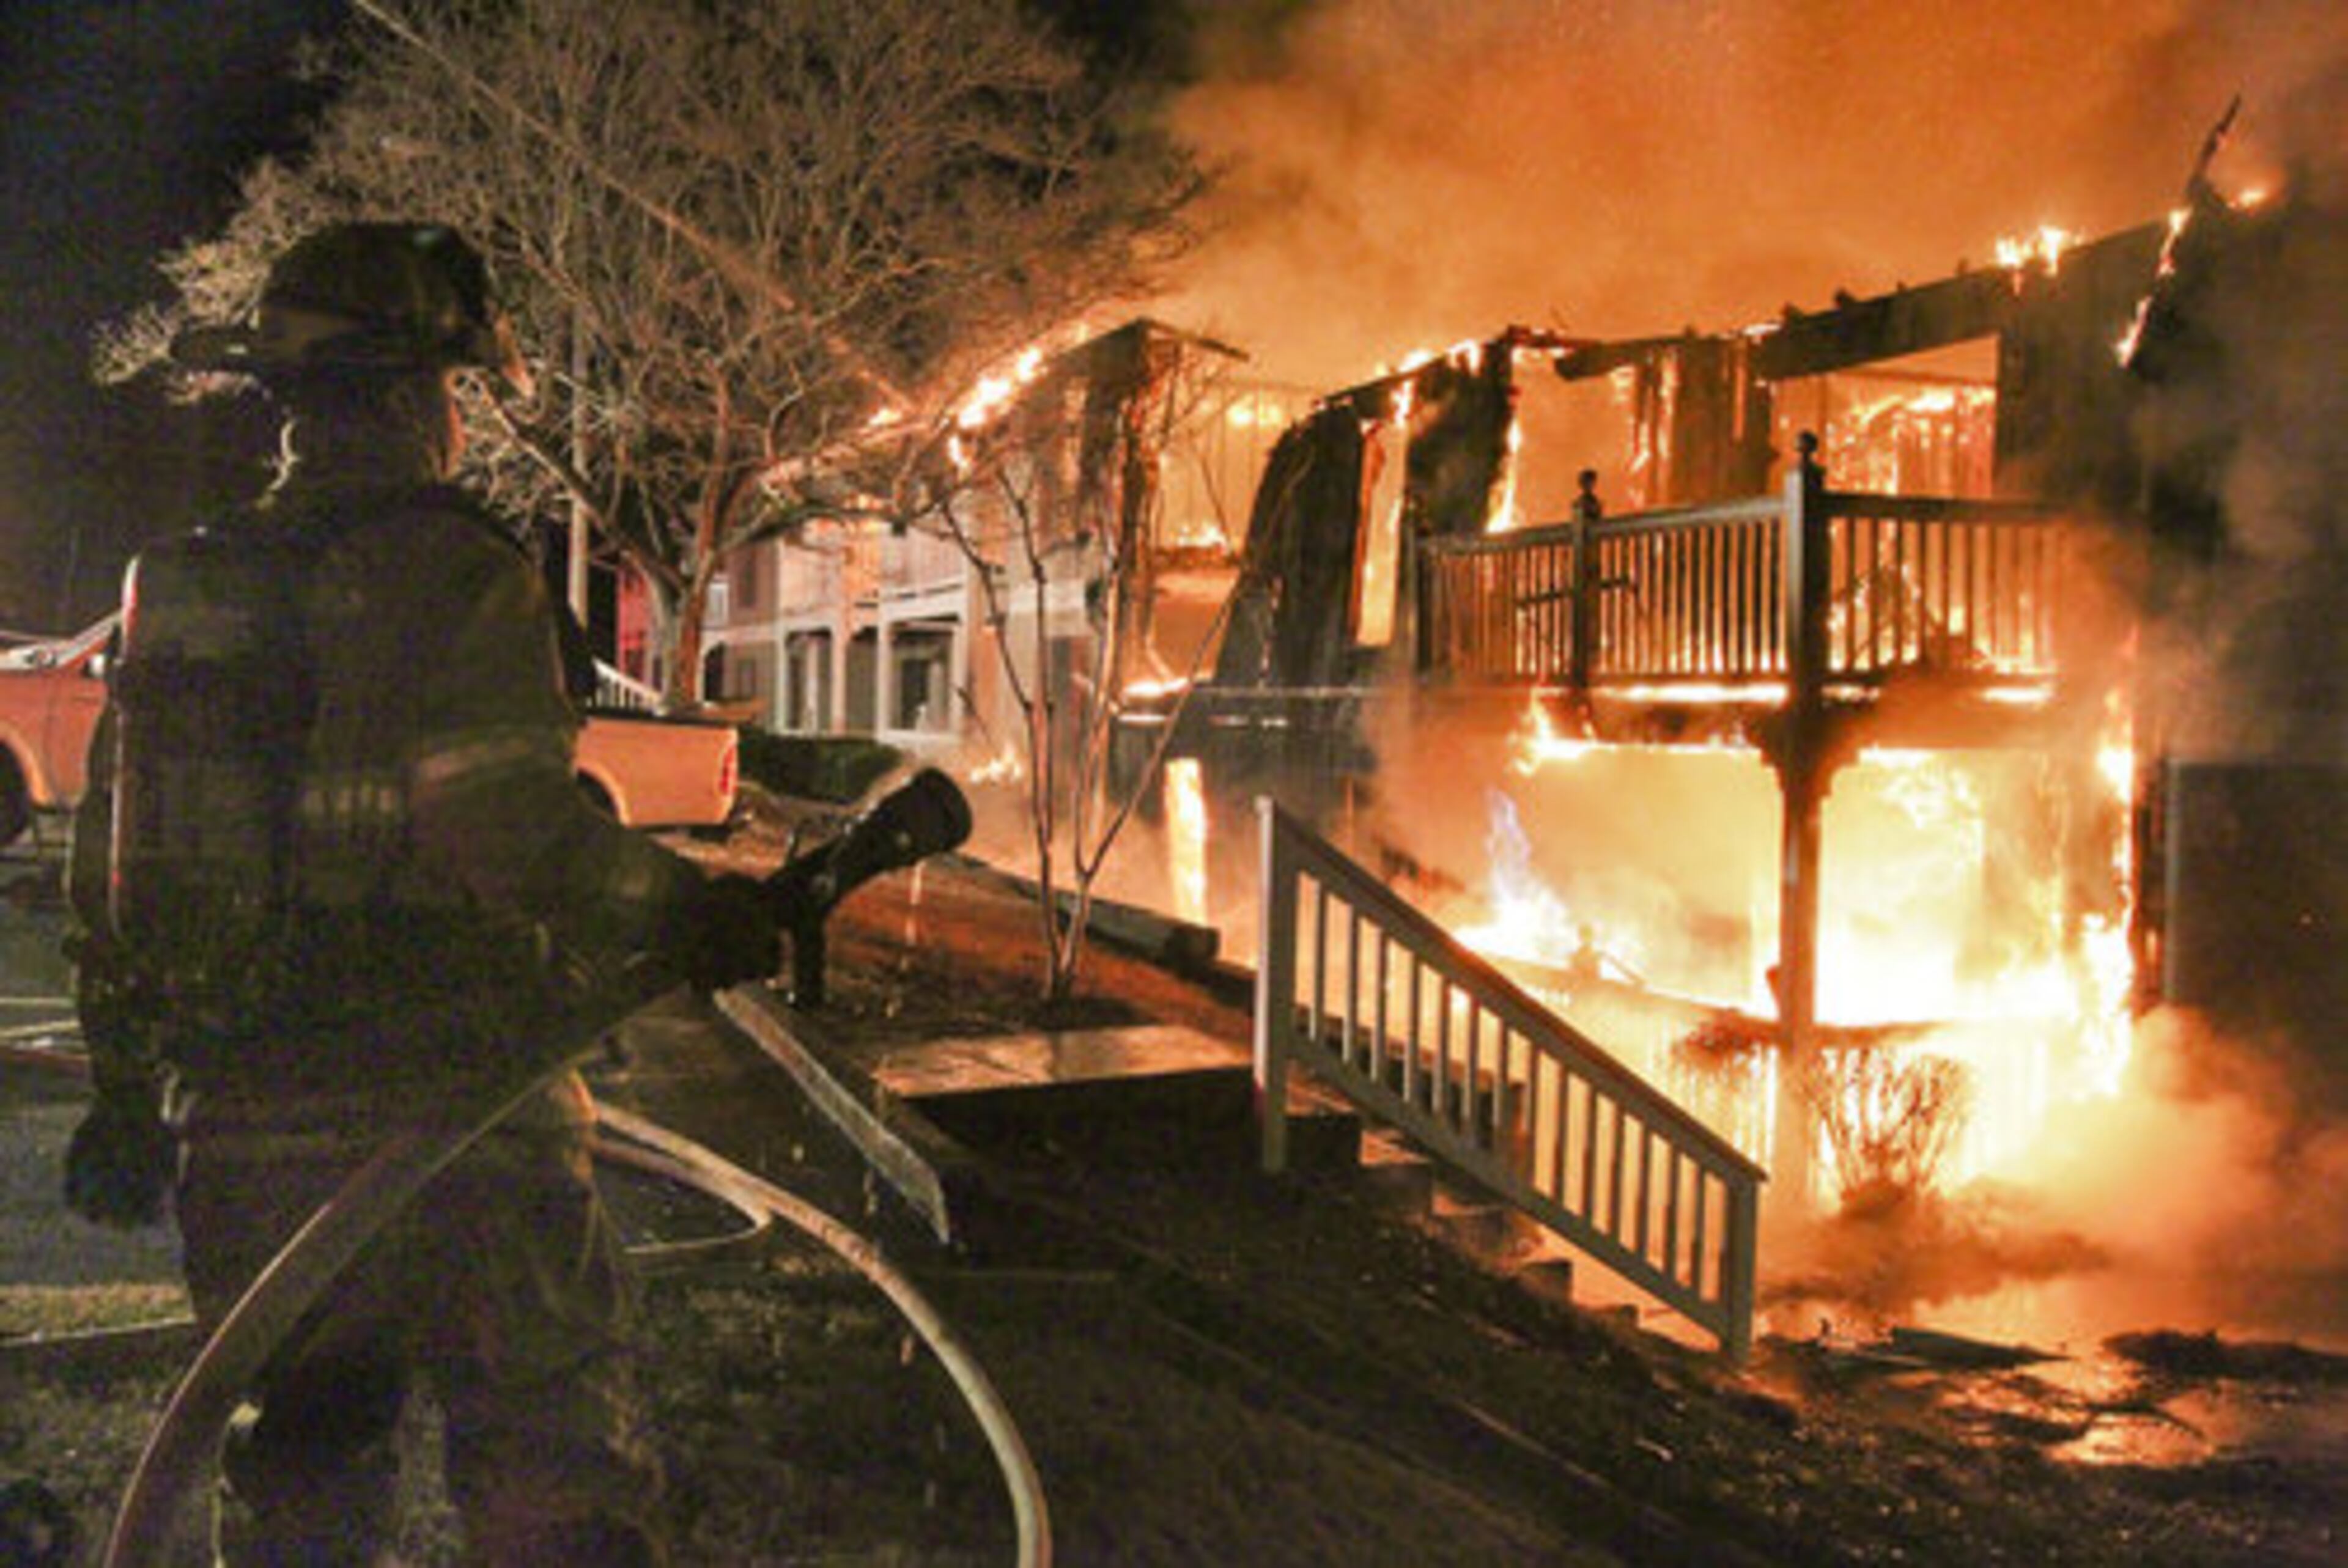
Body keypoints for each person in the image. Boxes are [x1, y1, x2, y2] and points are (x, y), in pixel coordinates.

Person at [62, 221, 780, 1566]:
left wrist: (121, 1083)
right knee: (552, 1466)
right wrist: (685, 907)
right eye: (451, 388)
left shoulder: (183, 582)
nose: (454, 417)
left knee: (307, 1469)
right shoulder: (456, 571)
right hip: (462, 1113)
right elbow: (509, 830)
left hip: (251, 1122)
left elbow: (115, 867)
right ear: (408, 396)